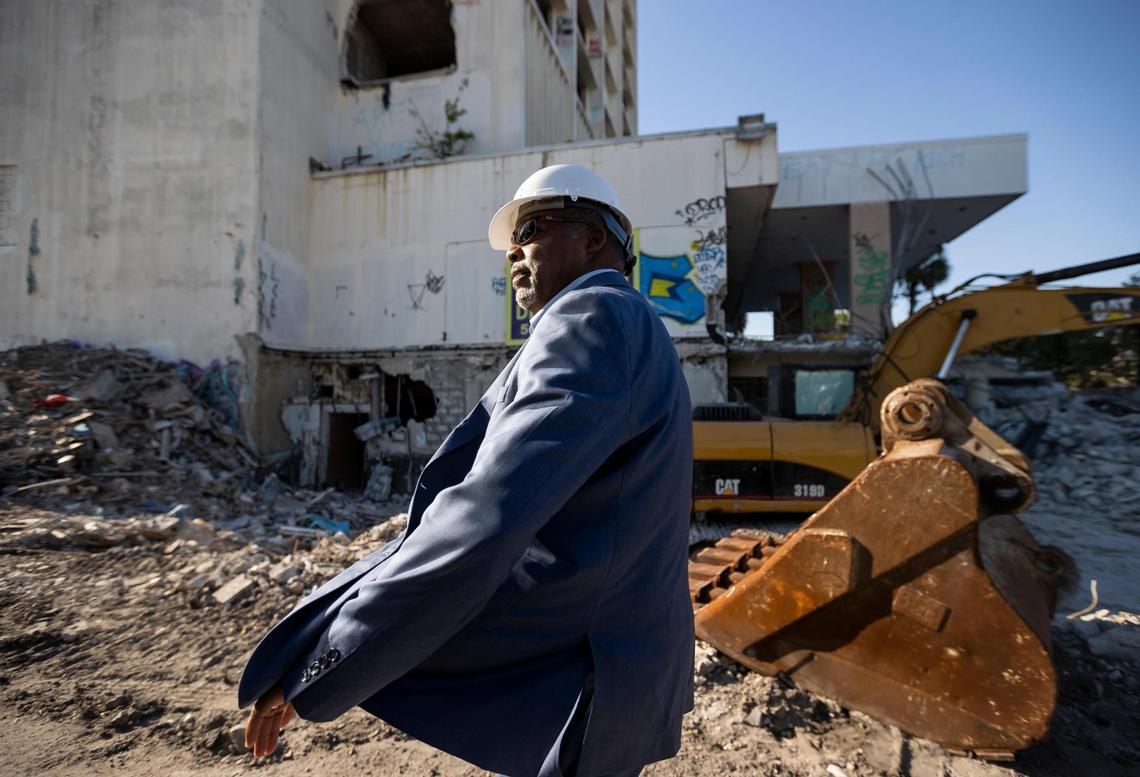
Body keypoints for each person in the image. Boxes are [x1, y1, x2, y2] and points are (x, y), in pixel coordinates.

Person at [238, 164, 694, 777]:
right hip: (609, 666)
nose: (513, 250)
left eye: (531, 227)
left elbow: (488, 517)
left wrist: (328, 657)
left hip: (586, 670)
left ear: (592, 238)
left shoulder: (592, 319)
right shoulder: (633, 325)